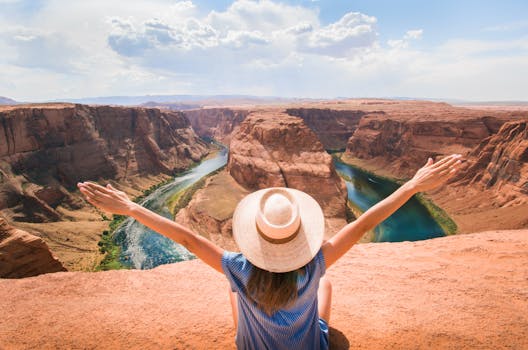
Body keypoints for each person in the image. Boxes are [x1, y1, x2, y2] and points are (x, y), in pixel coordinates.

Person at [78, 154, 462, 350]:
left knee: (233, 291)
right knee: (325, 287)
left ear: (256, 237)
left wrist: (130, 208)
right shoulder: (315, 265)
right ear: (299, 235)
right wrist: (412, 186)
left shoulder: (238, 268)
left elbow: (188, 240)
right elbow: (361, 225)